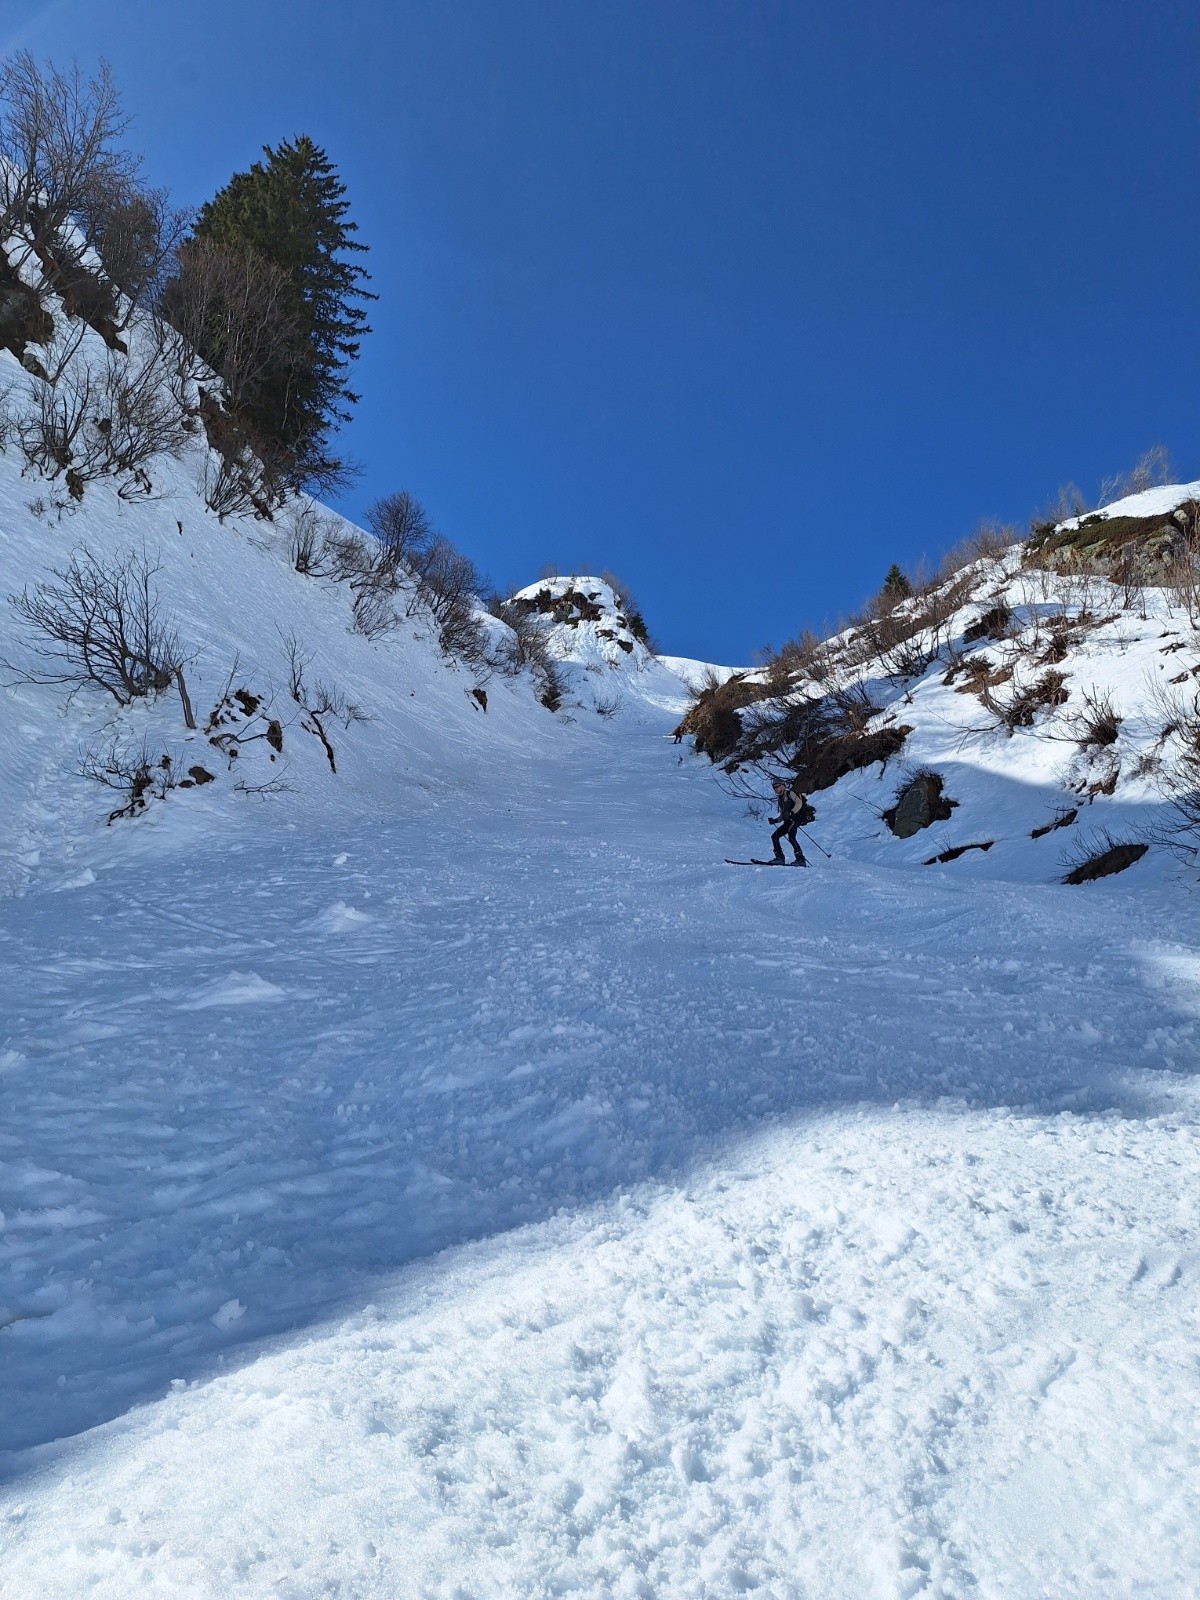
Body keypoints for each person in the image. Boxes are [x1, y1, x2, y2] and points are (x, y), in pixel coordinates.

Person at [769, 776, 808, 865]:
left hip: (794, 819)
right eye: (774, 787)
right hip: (788, 821)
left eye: (777, 786)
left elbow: (799, 803)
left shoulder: (790, 793)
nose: (776, 789)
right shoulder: (780, 799)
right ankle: (782, 858)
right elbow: (783, 814)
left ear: (783, 786)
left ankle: (799, 859)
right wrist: (775, 820)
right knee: (775, 836)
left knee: (790, 838)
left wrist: (791, 812)